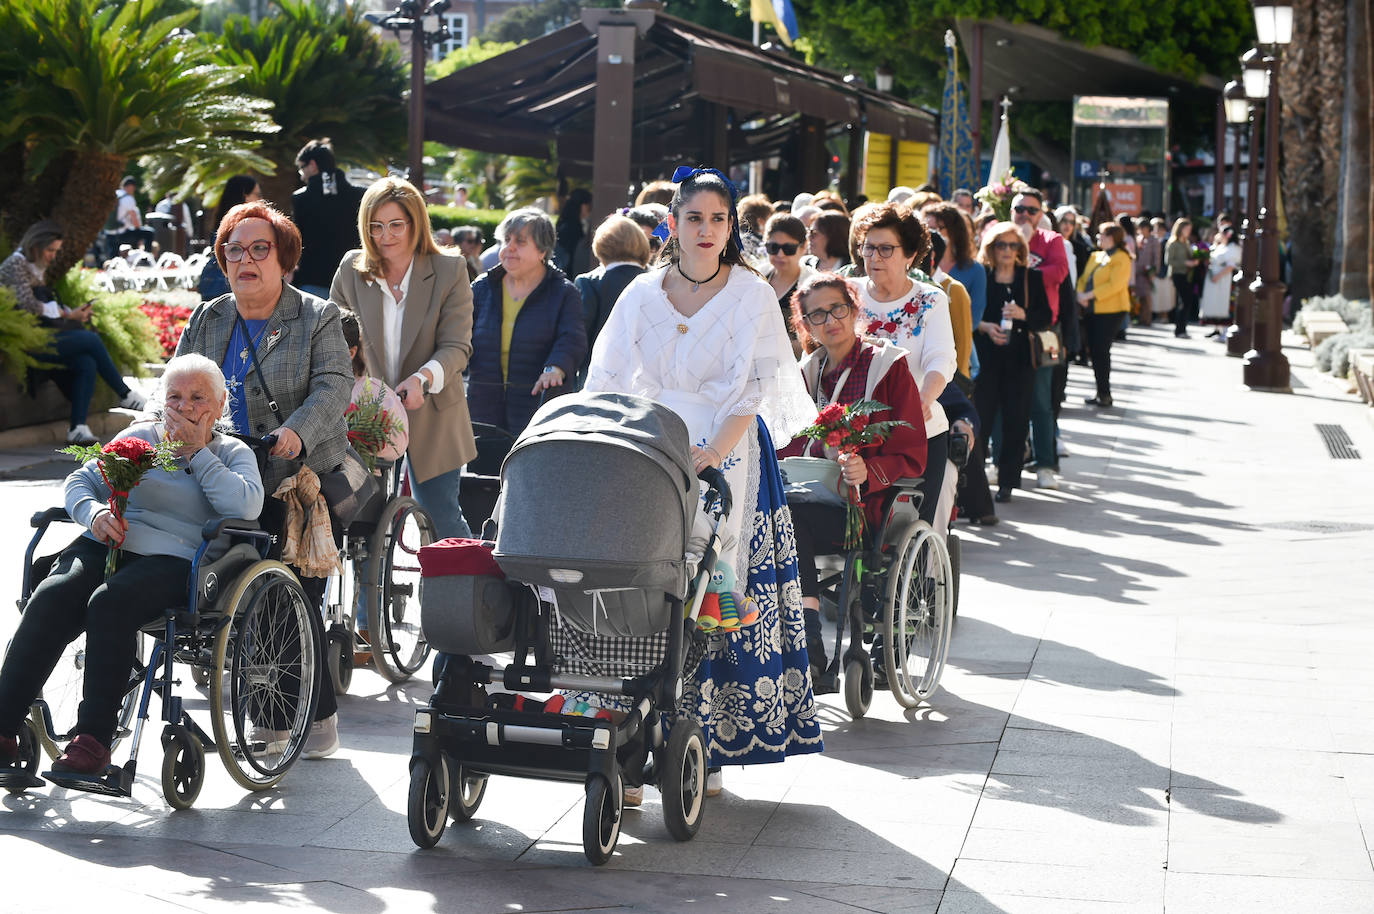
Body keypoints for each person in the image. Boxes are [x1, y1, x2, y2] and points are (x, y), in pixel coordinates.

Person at [582, 166, 821, 795]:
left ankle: (705, 743)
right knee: (638, 588)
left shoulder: (752, 293)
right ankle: (627, 743)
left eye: (719, 219)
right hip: (646, 451)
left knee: (713, 594)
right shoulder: (640, 292)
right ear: (672, 224)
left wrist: (712, 450)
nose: (707, 230)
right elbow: (606, 378)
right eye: (695, 218)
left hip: (728, 449)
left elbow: (756, 387)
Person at [0, 353, 263, 776]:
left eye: (197, 398)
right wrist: (93, 514)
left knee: (110, 601)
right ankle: (2, 728)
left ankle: (93, 741)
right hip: (108, 542)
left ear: (216, 409)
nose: (184, 407)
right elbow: (81, 481)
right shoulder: (140, 437)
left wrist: (197, 453)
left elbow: (244, 505)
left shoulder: (231, 452)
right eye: (175, 397)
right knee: (51, 597)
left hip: (176, 557)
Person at [175, 200, 352, 759]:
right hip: (215, 466)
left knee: (280, 591)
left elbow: (332, 388)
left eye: (259, 249)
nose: (245, 259)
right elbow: (175, 383)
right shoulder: (209, 316)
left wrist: (296, 434)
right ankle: (310, 717)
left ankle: (286, 721)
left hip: (289, 475)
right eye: (234, 249)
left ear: (284, 258)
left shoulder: (316, 316)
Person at [776, 274, 928, 673]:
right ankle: (809, 640)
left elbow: (911, 451)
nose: (831, 321)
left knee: (792, 522)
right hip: (810, 502)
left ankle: (809, 644)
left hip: (867, 509)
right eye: (818, 315)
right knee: (781, 521)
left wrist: (868, 469)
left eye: (838, 308)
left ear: (855, 309)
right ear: (805, 325)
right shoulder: (804, 373)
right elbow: (789, 441)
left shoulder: (887, 367)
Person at [329, 176, 478, 542]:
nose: (386, 236)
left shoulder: (449, 270)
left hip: (434, 409)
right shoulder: (352, 269)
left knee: (441, 518)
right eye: (375, 226)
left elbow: (457, 346)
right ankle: (366, 601)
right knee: (363, 526)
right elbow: (332, 339)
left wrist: (422, 379)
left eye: (396, 225)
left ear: (416, 224)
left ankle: (456, 596)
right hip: (366, 414)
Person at [851, 202, 957, 528]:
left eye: (886, 249)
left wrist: (922, 400)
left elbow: (941, 359)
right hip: (856, 433)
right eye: (868, 248)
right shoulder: (848, 294)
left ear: (910, 255)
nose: (875, 257)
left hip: (916, 431)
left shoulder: (930, 300)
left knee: (908, 527)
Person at [0, 221, 147, 445]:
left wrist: (71, 314)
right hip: (25, 343)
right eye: (50, 250)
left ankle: (77, 427)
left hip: (39, 336)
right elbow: (29, 305)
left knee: (86, 362)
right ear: (36, 245)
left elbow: (43, 307)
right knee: (89, 339)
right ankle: (124, 394)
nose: (52, 256)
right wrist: (68, 316)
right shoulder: (16, 264)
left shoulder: (34, 267)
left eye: (55, 251)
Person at [468, 209, 587, 437]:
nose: (509, 247)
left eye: (520, 242)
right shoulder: (482, 287)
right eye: (506, 240)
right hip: (483, 407)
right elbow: (461, 335)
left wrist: (556, 367)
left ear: (542, 250)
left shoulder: (564, 293)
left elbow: (572, 339)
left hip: (537, 410)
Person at [974, 222, 1053, 503]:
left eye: (1013, 245)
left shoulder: (1030, 277)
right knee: (980, 418)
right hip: (986, 357)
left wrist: (1023, 314)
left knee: (1016, 419)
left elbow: (1046, 317)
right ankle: (975, 480)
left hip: (1020, 358)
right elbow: (968, 314)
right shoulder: (982, 275)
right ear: (991, 248)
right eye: (1001, 245)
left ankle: (1008, 480)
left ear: (1021, 249)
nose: (1007, 251)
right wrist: (984, 327)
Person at [574, 214, 651, 381]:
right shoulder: (658, 280)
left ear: (601, 245)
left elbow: (581, 336)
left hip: (601, 375)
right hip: (646, 376)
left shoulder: (589, 283)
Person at [290, 138, 366, 298]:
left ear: (312, 165)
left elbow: (296, 240)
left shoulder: (301, 199)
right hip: (352, 280)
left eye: (301, 169)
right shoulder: (360, 195)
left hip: (313, 280)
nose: (302, 176)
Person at [924, 202, 985, 381]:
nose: (930, 233)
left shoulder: (974, 270)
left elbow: (974, 320)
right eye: (927, 227)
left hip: (958, 348)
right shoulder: (916, 268)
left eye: (937, 228)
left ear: (953, 231)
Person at [1077, 223, 1133, 408]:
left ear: (1112, 237)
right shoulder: (1096, 255)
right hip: (1092, 309)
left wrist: (1089, 295)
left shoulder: (1122, 258)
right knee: (1094, 350)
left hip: (1112, 310)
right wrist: (1080, 294)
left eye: (1102, 235)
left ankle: (1105, 393)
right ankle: (1100, 391)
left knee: (1101, 350)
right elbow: (1084, 278)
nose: (1099, 237)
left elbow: (1115, 285)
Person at [199, 175, 262, 301]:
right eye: (257, 195)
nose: (261, 200)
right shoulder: (246, 227)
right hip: (230, 287)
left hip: (212, 283)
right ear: (245, 196)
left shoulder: (222, 222)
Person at [762, 213, 817, 356]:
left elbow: (816, 341)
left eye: (788, 249)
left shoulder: (814, 285)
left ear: (804, 247)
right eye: (773, 247)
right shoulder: (756, 276)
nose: (780, 254)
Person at [1166, 218, 1201, 338]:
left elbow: (1191, 256)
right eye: (1187, 229)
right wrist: (1185, 263)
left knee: (1186, 301)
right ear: (1180, 229)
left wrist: (1196, 258)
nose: (1188, 231)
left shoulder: (1186, 243)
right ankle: (1179, 329)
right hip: (1177, 274)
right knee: (1185, 300)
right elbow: (1169, 260)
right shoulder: (1173, 243)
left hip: (1187, 274)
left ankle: (1182, 328)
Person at [1200, 225, 1239, 332]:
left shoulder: (1232, 248)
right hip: (1215, 279)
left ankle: (1225, 331)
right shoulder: (1220, 246)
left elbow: (1231, 265)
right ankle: (1217, 329)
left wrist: (1218, 276)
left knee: (1224, 304)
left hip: (1224, 281)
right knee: (1215, 303)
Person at [553, 188, 593, 278]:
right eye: (589, 206)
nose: (590, 210)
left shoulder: (565, 224)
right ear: (582, 206)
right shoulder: (572, 228)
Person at [1144, 217, 1174, 324]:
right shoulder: (1150, 241)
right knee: (1156, 295)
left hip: (1164, 272)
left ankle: (1164, 316)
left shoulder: (1167, 242)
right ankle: (1156, 315)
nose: (1154, 231)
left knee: (1165, 295)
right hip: (1155, 272)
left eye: (1156, 228)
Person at [113, 176, 154, 251]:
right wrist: (138, 229)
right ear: (131, 187)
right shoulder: (128, 198)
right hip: (122, 233)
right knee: (149, 233)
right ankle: (147, 257)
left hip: (110, 231)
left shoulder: (116, 194)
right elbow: (135, 221)